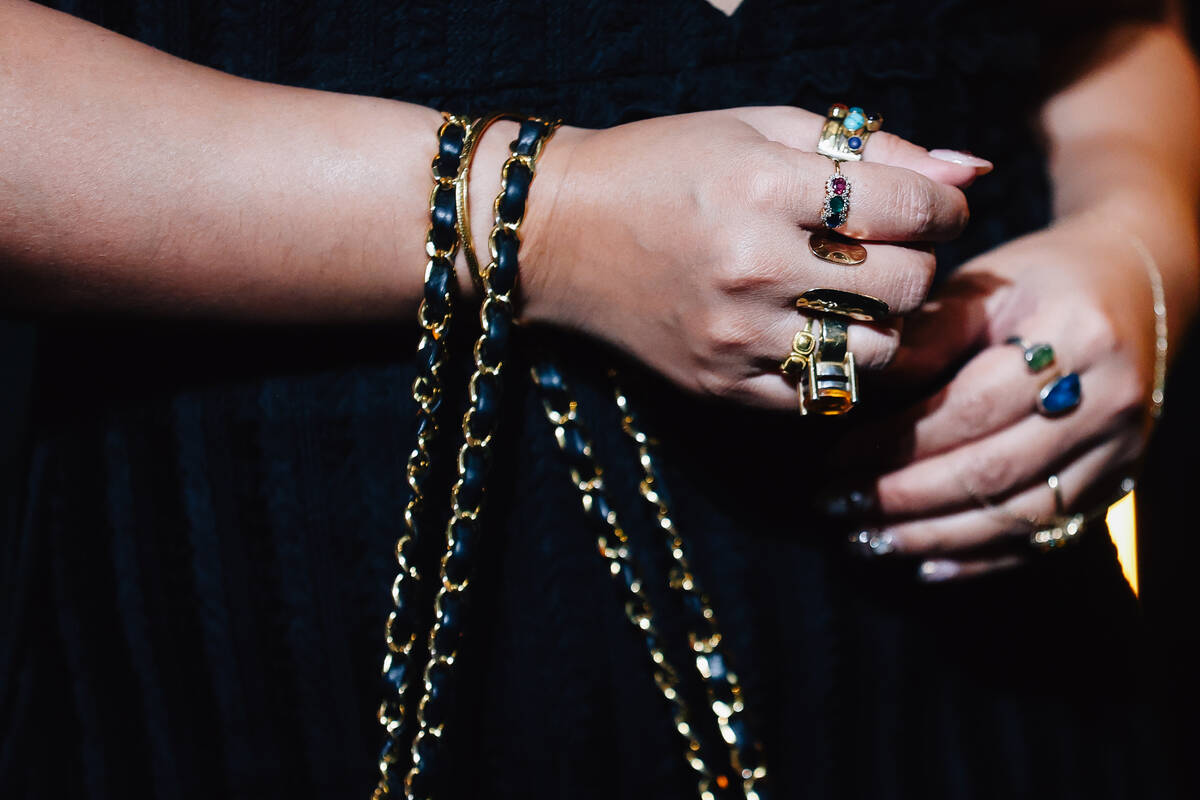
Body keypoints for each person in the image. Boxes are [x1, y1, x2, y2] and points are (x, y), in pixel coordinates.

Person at [1, 0, 1196, 798]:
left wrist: (1139, 246)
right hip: (299, 626)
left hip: (990, 671)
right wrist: (549, 212)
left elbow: (1116, 39)